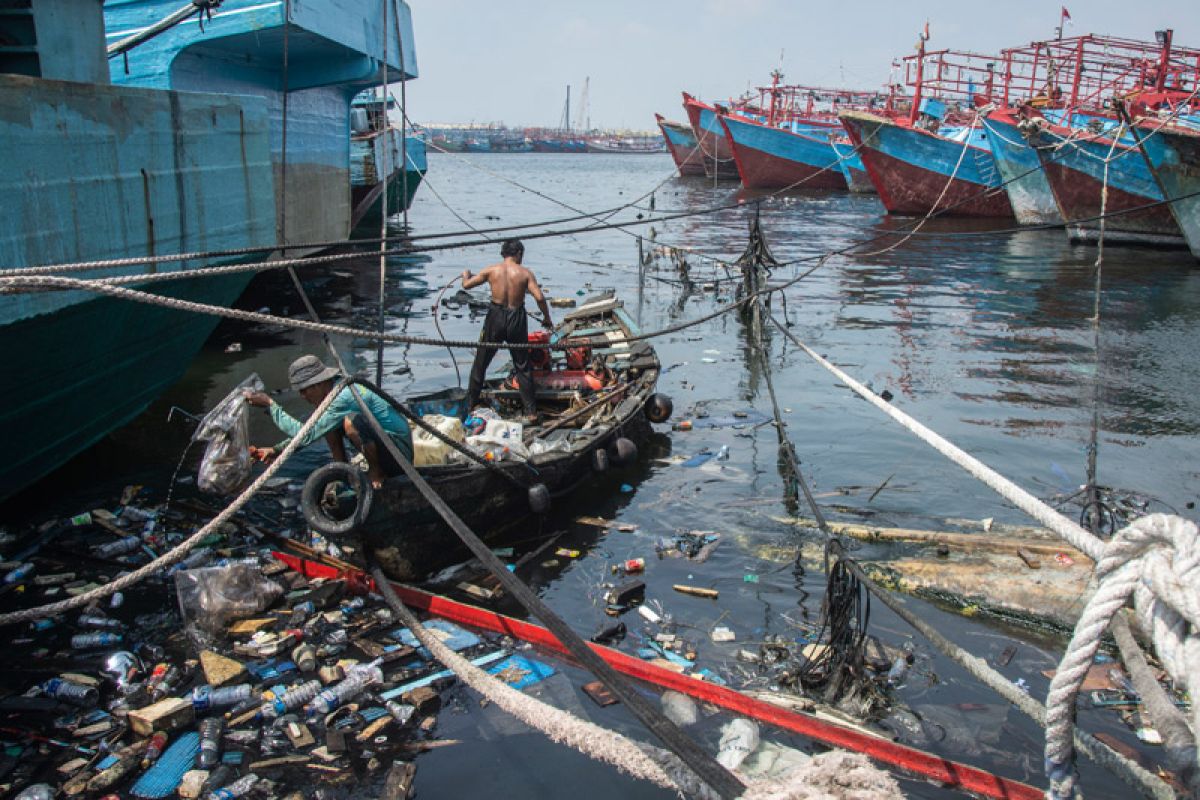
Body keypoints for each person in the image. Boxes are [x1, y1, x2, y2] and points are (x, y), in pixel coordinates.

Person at [243, 354, 412, 489]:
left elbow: (306, 435)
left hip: (398, 455)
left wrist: (271, 405)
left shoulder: (342, 397)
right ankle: (343, 474)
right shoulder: (335, 392)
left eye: (304, 391)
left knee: (351, 423)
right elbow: (312, 430)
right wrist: (276, 450)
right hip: (388, 449)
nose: (303, 396)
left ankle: (377, 472)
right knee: (329, 427)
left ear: (318, 384)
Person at [461, 238, 553, 422]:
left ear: (504, 254)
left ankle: (470, 405)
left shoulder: (490, 270)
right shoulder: (525, 273)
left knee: (481, 362)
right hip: (516, 318)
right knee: (522, 365)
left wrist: (465, 275)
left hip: (495, 317)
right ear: (518, 253)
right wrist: (546, 318)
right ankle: (531, 412)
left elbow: (466, 285)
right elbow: (540, 297)